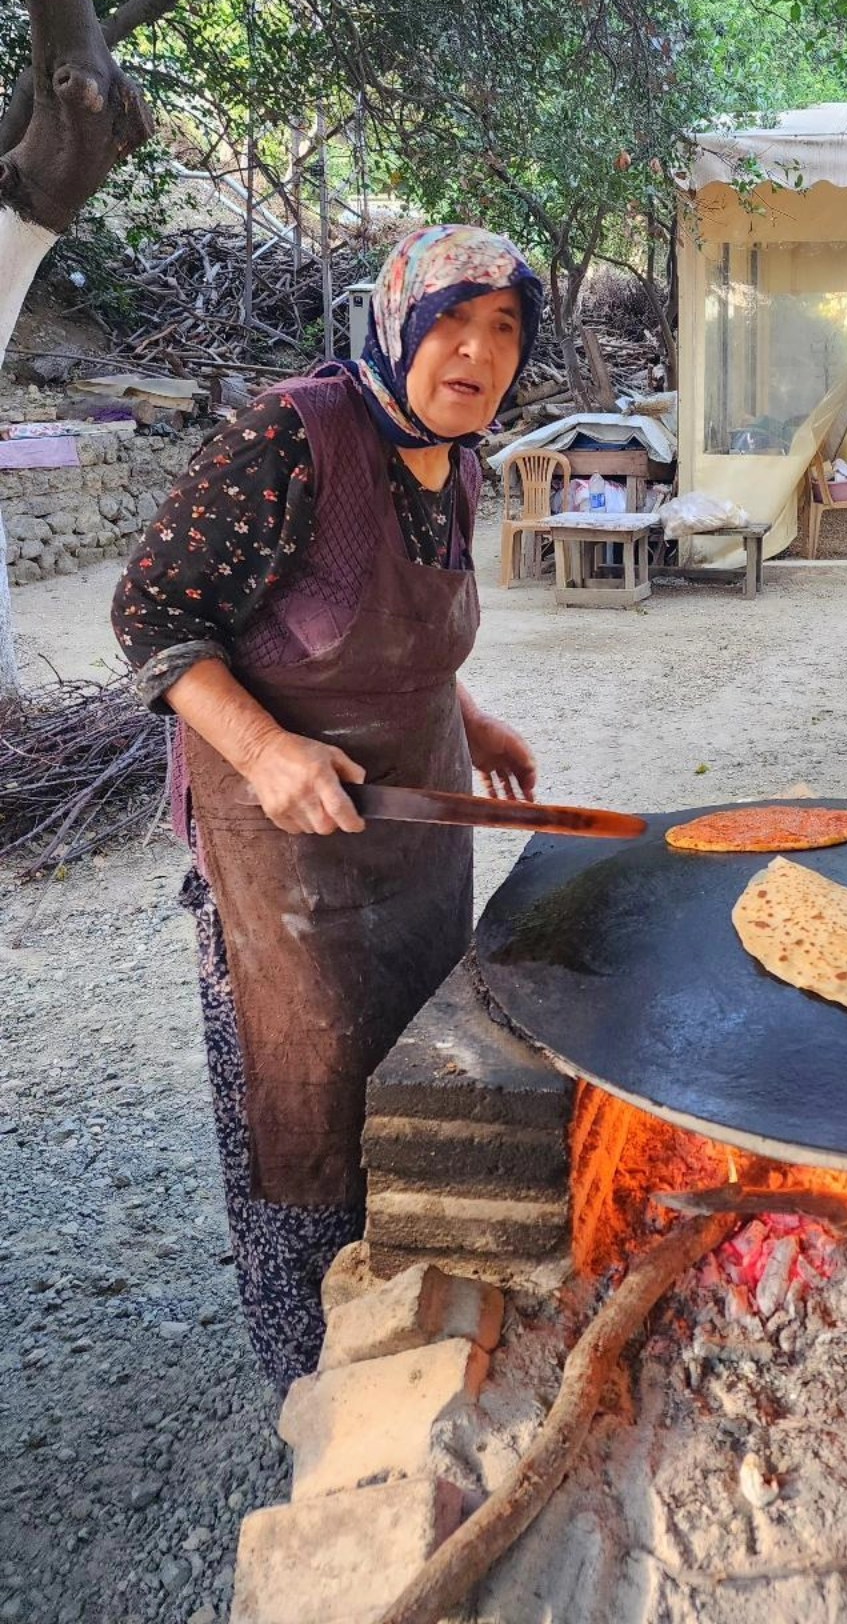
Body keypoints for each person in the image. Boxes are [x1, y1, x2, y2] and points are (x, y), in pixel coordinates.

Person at [113, 226, 542, 1389]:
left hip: (412, 828)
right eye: (453, 319)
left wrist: (469, 712)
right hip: (284, 855)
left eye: (504, 329)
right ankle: (308, 1376)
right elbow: (152, 618)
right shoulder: (292, 436)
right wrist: (260, 749)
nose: (475, 352)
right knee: (301, 1095)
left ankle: (398, 1302)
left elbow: (384, 621)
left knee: (406, 1061)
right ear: (400, 317)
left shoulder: (452, 459)